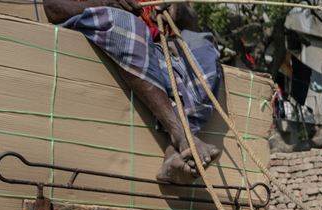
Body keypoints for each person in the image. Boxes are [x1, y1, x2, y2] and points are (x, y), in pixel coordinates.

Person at [41, 0, 223, 184]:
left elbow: (191, 23)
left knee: (203, 46)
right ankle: (182, 136)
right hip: (110, 29)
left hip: (157, 53)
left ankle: (174, 152)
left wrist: (180, 9)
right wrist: (107, 3)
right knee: (129, 25)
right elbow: (52, 8)